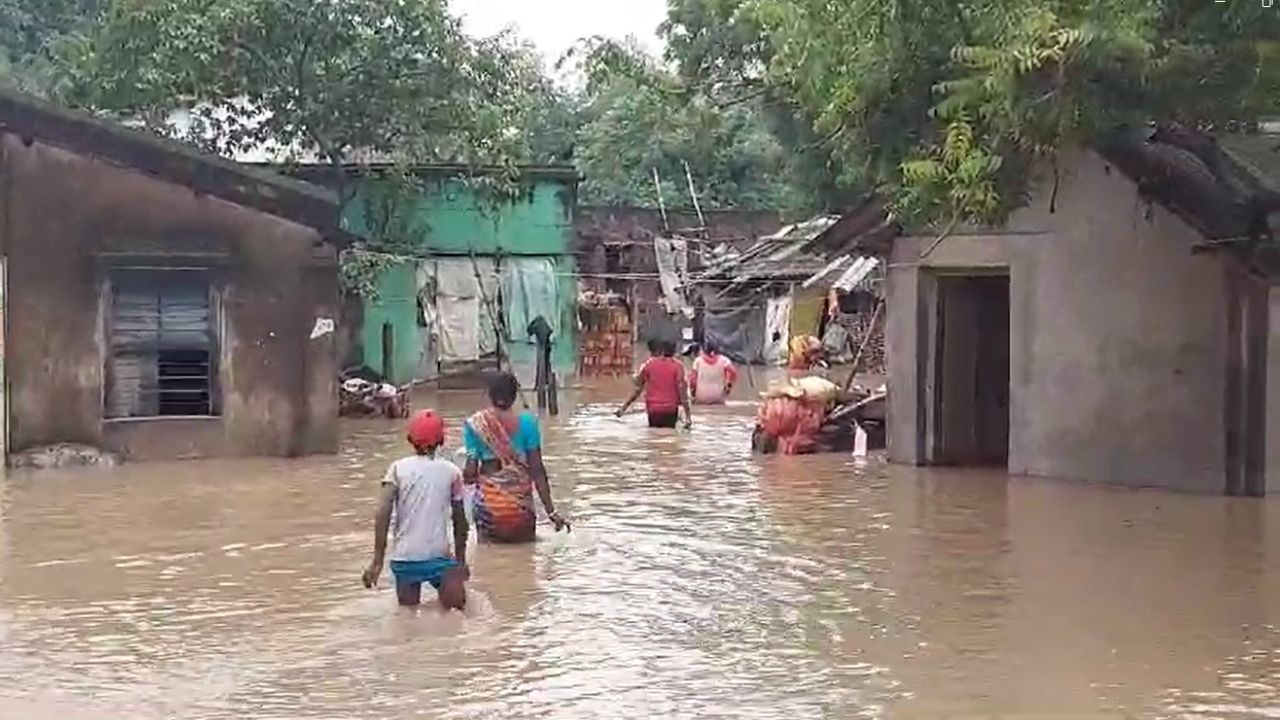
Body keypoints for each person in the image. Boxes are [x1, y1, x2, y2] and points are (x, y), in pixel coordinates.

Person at [362, 410, 470, 610]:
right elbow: (460, 521)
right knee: (458, 612)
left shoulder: (397, 469)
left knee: (408, 615)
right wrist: (460, 560)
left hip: (405, 560)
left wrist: (377, 560)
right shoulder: (452, 472)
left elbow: (382, 512)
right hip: (440, 559)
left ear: (410, 438)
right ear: (441, 441)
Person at [463, 372, 570, 543]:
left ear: (490, 395)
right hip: (521, 512)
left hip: (489, 510)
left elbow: (469, 474)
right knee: (526, 560)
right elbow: (538, 471)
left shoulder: (475, 424)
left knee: (488, 559)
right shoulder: (529, 423)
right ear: (514, 396)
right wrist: (552, 512)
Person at [615, 339, 692, 428]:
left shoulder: (649, 365)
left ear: (661, 351)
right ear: (674, 351)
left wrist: (623, 408)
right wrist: (688, 416)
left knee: (654, 435)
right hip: (670, 410)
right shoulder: (678, 366)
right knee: (669, 436)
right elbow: (682, 391)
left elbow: (637, 390)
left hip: (653, 410)